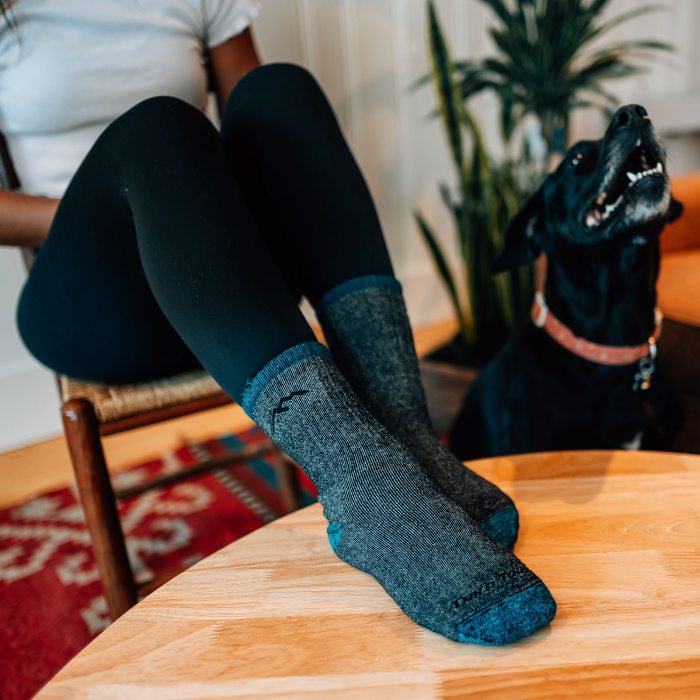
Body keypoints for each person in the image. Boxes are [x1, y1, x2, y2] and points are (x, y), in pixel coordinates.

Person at [0, 0, 556, 644]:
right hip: (95, 300)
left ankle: (405, 442)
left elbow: (254, 128)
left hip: (213, 275)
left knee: (278, 90)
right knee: (157, 130)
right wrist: (144, 207)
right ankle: (366, 483)